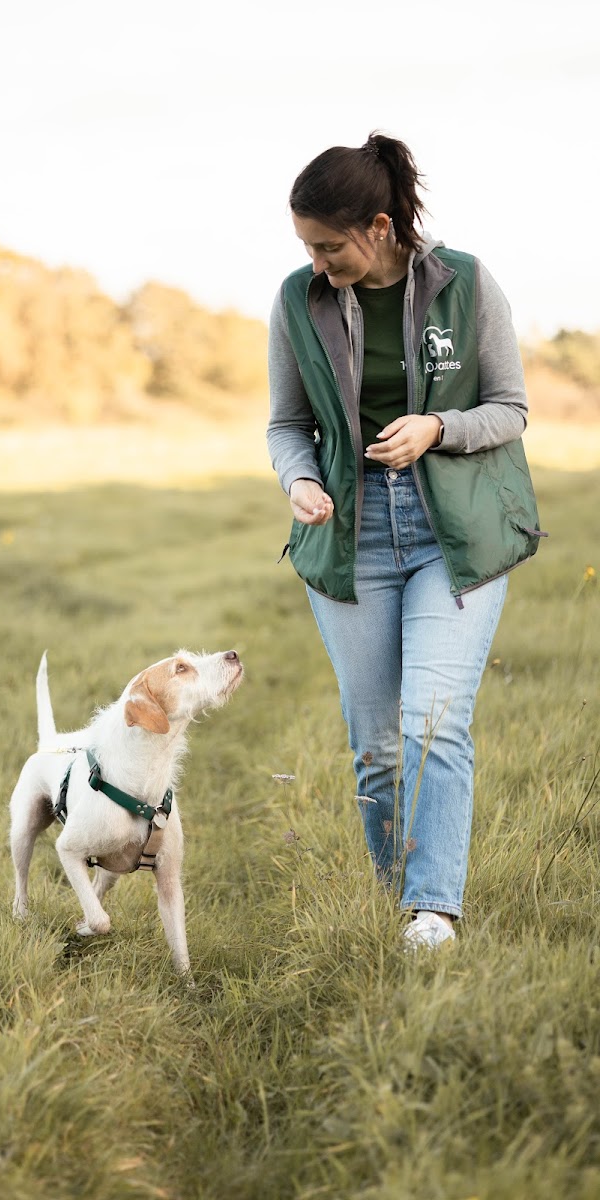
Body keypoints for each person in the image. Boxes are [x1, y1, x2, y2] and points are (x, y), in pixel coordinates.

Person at [267, 131, 545, 949]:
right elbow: (287, 424)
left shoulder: (465, 283)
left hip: (451, 533)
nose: (317, 264)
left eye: (328, 247)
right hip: (350, 540)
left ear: (380, 228)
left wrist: (437, 427)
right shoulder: (297, 300)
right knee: (378, 745)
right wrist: (300, 480)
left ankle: (432, 910)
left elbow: (512, 409)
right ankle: (396, 897)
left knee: (434, 721)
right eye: (306, 249)